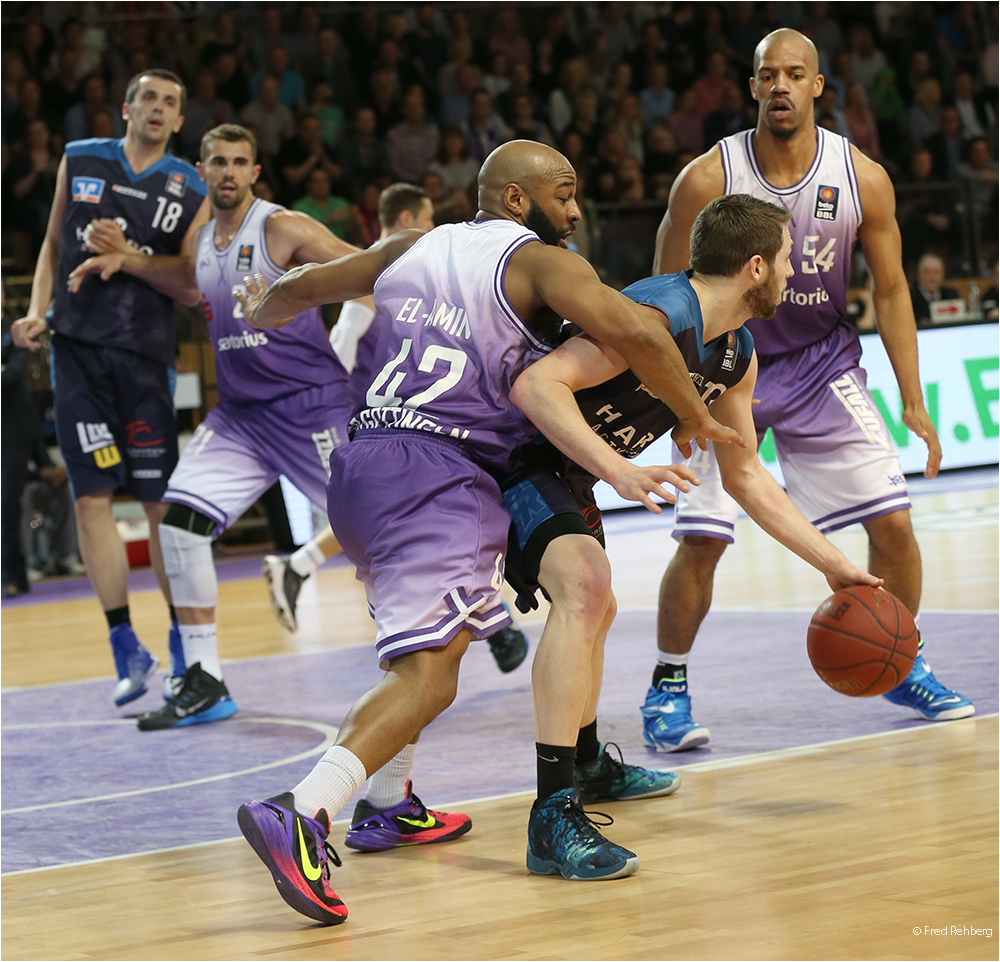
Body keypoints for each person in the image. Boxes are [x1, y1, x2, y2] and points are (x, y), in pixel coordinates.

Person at [233, 140, 744, 925]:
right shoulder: (541, 264)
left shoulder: (415, 243)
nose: (575, 210)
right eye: (564, 193)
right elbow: (642, 333)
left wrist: (259, 306)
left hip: (363, 462)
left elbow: (301, 286)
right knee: (430, 676)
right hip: (440, 468)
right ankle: (303, 809)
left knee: (426, 645)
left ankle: (387, 803)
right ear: (515, 199)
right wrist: (694, 414)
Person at [649, 28, 974, 753]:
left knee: (893, 525)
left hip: (822, 366)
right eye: (769, 75)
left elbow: (891, 288)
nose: (782, 86)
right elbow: (663, 296)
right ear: (754, 87)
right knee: (702, 539)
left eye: (796, 74)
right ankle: (667, 686)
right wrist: (678, 400)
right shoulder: (707, 178)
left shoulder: (862, 177)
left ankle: (902, 658)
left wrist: (912, 396)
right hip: (725, 365)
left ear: (819, 86)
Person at [504, 195, 881, 772]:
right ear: (754, 266)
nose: (792, 271)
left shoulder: (736, 352)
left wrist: (831, 564)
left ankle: (586, 767)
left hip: (570, 469)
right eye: (785, 258)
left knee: (595, 605)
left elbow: (747, 476)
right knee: (583, 593)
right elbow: (537, 386)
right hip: (510, 455)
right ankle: (554, 801)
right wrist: (620, 469)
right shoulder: (661, 313)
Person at [66, 122, 356, 730]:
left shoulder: (283, 227)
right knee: (178, 526)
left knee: (375, 536)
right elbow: (186, 280)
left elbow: (366, 271)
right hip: (243, 416)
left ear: (255, 172)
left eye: (240, 161)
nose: (228, 171)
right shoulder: (201, 238)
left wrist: (379, 343)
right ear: (201, 171)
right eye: (217, 161)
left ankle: (431, 655)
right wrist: (127, 260)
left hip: (311, 406)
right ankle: (204, 678)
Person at [266, 181, 531, 674]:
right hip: (379, 429)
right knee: (417, 527)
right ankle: (300, 567)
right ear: (409, 216)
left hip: (412, 430)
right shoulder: (373, 286)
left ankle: (493, 624)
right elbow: (337, 357)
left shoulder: (419, 273)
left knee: (437, 527)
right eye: (427, 216)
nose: (433, 227)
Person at [11, 69, 209, 707]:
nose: (157, 107)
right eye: (148, 97)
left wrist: (129, 253)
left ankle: (185, 647)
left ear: (179, 121)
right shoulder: (82, 158)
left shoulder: (191, 187)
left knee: (158, 507)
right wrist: (39, 310)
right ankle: (125, 643)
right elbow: (49, 245)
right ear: (126, 108)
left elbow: (192, 285)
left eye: (170, 102)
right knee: (91, 499)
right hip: (76, 354)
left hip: (146, 360)